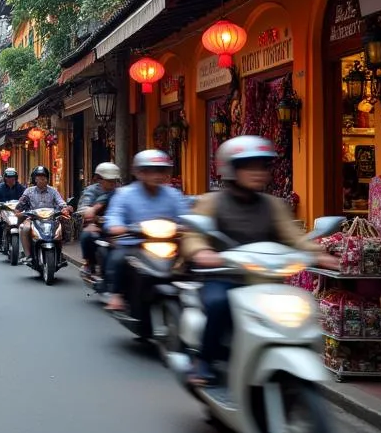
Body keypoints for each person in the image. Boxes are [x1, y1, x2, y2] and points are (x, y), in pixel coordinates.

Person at [181, 136, 339, 386]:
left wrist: (318, 254)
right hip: (224, 277)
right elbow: (193, 235)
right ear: (231, 169)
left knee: (299, 306)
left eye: (263, 166)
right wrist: (201, 252)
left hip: (266, 281)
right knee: (219, 304)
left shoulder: (274, 205)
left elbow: (293, 236)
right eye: (249, 166)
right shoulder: (212, 202)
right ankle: (204, 361)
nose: (258, 172)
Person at [103, 150, 188, 313]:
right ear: (139, 172)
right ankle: (116, 295)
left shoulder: (174, 195)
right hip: (135, 245)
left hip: (169, 244)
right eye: (150, 170)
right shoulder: (124, 195)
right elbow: (114, 217)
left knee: (191, 263)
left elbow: (185, 217)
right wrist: (118, 227)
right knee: (118, 258)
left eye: (161, 170)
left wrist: (187, 225)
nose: (156, 175)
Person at [77, 162, 123, 284]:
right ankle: (89, 263)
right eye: (109, 180)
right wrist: (89, 213)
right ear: (99, 179)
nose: (112, 183)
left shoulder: (121, 191)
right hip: (98, 226)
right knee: (87, 236)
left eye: (115, 180)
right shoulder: (91, 191)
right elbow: (83, 208)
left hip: (119, 227)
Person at [15, 165, 69, 264]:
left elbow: (61, 202)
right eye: (38, 178)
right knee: (24, 228)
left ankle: (60, 254)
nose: (41, 180)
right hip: (33, 218)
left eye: (43, 178)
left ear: (47, 179)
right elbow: (20, 205)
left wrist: (65, 208)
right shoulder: (29, 191)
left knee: (61, 228)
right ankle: (28, 256)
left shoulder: (53, 191)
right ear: (35, 179)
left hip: (51, 219)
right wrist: (18, 212)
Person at [0, 168, 25, 246]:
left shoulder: (21, 188)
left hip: (18, 211)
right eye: (8, 177)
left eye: (12, 177)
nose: (10, 179)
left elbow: (26, 198)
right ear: (5, 178)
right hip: (4, 210)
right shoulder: (0, 188)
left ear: (15, 178)